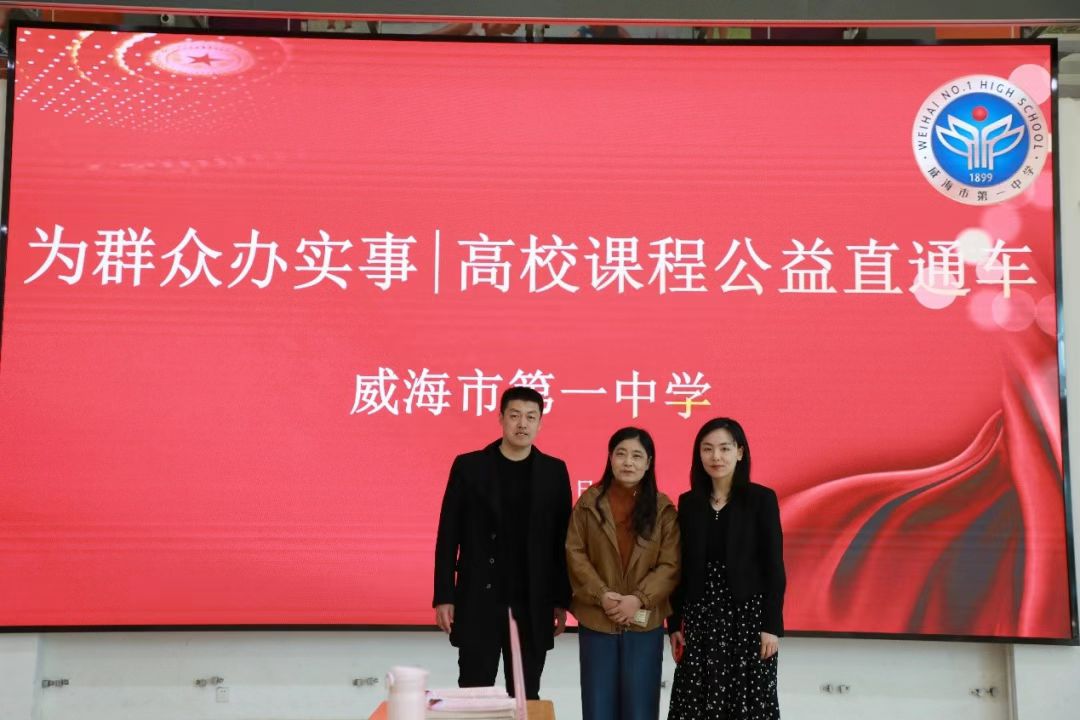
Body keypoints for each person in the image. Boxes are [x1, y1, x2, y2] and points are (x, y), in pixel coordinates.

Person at [433, 386, 572, 699]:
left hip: (532, 602)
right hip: (478, 598)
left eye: (531, 417)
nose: (522, 424)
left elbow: (562, 542)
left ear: (540, 423)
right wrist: (444, 595)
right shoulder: (469, 467)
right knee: (474, 692)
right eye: (515, 416)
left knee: (525, 696)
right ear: (501, 418)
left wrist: (561, 600)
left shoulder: (554, 471)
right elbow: (448, 534)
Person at [668, 418, 785, 720]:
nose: (716, 456)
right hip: (700, 618)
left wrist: (771, 626)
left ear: (740, 452)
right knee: (695, 700)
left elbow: (774, 567)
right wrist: (674, 623)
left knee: (747, 701)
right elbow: (681, 568)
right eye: (707, 449)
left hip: (747, 620)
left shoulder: (761, 499)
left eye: (724, 448)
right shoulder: (689, 503)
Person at [566, 427, 680, 720]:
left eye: (637, 456)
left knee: (640, 710)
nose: (628, 462)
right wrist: (602, 594)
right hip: (597, 620)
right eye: (621, 454)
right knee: (598, 708)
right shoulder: (589, 503)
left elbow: (670, 565)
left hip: (644, 624)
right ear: (610, 458)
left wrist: (638, 599)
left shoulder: (663, 509)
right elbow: (575, 553)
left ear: (649, 462)